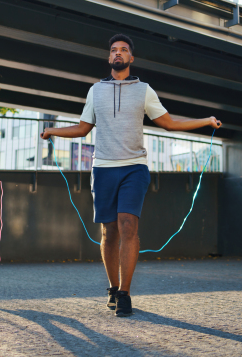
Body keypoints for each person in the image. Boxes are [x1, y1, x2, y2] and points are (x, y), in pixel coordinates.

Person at [40, 34, 222, 317]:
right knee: (108, 232)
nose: (118, 53)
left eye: (123, 50)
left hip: (134, 168)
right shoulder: (95, 91)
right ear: (108, 57)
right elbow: (82, 128)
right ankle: (113, 288)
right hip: (103, 168)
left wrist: (206, 121)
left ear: (131, 58)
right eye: (113, 50)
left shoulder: (144, 90)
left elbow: (169, 123)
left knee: (128, 226)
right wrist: (52, 131)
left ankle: (124, 293)